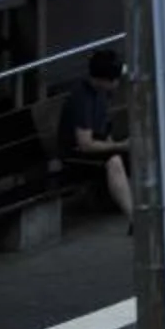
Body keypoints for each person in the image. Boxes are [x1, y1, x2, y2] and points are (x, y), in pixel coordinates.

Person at [57, 47, 132, 225]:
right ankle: (134, 218)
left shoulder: (101, 94)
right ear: (104, 80)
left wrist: (120, 146)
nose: (118, 82)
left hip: (94, 148)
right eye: (115, 78)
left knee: (136, 154)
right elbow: (85, 144)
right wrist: (120, 146)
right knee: (114, 161)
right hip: (74, 156)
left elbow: (104, 132)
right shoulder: (82, 98)